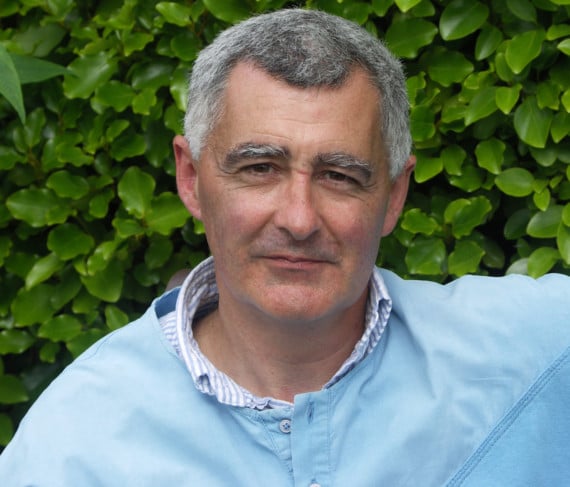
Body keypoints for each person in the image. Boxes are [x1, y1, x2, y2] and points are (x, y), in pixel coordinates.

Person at [1, 8, 569, 486]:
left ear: (395, 195)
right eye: (259, 168)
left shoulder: (534, 355)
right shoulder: (71, 446)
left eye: (340, 175)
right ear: (191, 178)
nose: (299, 219)